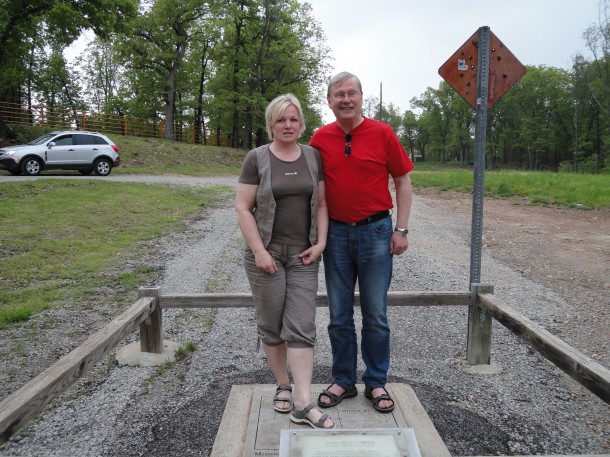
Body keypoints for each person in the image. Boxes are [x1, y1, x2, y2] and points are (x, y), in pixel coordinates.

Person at [309, 72, 415, 413]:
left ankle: (376, 381)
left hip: (377, 231)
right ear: (329, 101)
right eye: (338, 94)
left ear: (361, 97)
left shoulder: (383, 133)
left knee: (376, 314)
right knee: (339, 314)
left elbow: (403, 181)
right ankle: (343, 378)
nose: (345, 99)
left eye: (351, 93)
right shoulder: (320, 139)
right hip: (337, 234)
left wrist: (402, 229)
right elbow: (309, 187)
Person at [235, 93, 334, 429]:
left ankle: (303, 402)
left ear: (302, 123)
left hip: (304, 256)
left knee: (302, 324)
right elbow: (242, 208)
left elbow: (321, 204)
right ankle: (283, 385)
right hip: (267, 256)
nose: (288, 125)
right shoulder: (257, 158)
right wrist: (260, 252)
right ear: (271, 124)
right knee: (272, 325)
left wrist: (320, 242)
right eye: (281, 120)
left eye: (293, 119)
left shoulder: (312, 156)